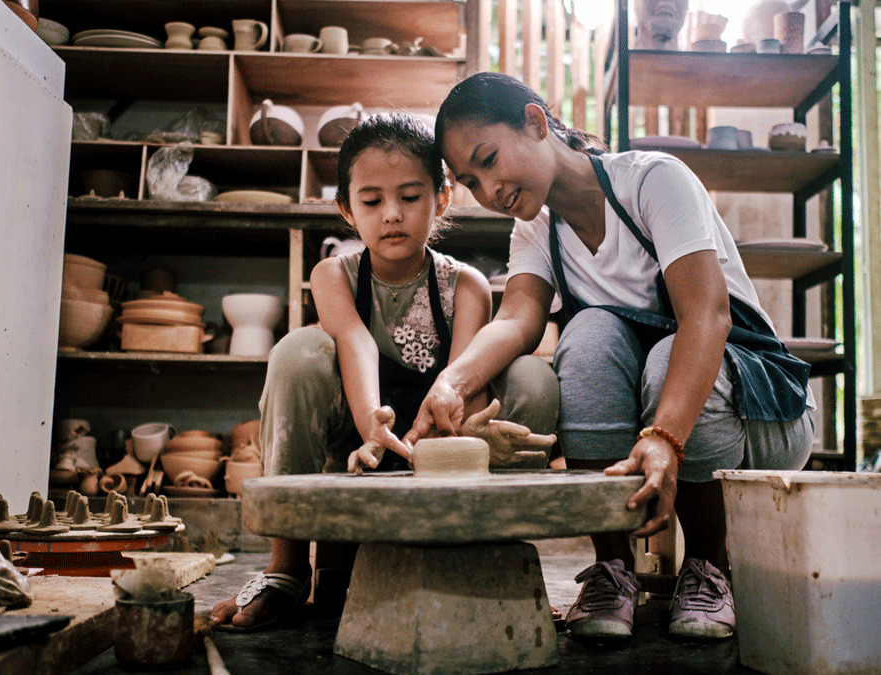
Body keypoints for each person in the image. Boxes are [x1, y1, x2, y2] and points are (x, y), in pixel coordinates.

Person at [408, 72, 815, 641]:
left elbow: (708, 317)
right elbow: (517, 320)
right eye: (471, 181)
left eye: (489, 160)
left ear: (534, 121)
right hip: (658, 412)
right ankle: (612, 571)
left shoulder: (653, 180)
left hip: (764, 409)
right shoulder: (537, 230)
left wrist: (665, 437)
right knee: (588, 335)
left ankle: (708, 567)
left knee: (668, 353)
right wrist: (452, 383)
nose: (489, 191)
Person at [210, 112, 559, 631]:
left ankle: (495, 558)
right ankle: (286, 569)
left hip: (441, 452)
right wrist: (373, 424)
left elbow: (469, 379)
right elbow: (354, 341)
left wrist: (465, 434)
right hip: (359, 451)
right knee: (296, 352)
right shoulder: (332, 274)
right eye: (372, 201)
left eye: (410, 197)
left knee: (534, 378)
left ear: (441, 198)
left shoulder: (465, 286)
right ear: (347, 210)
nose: (391, 214)